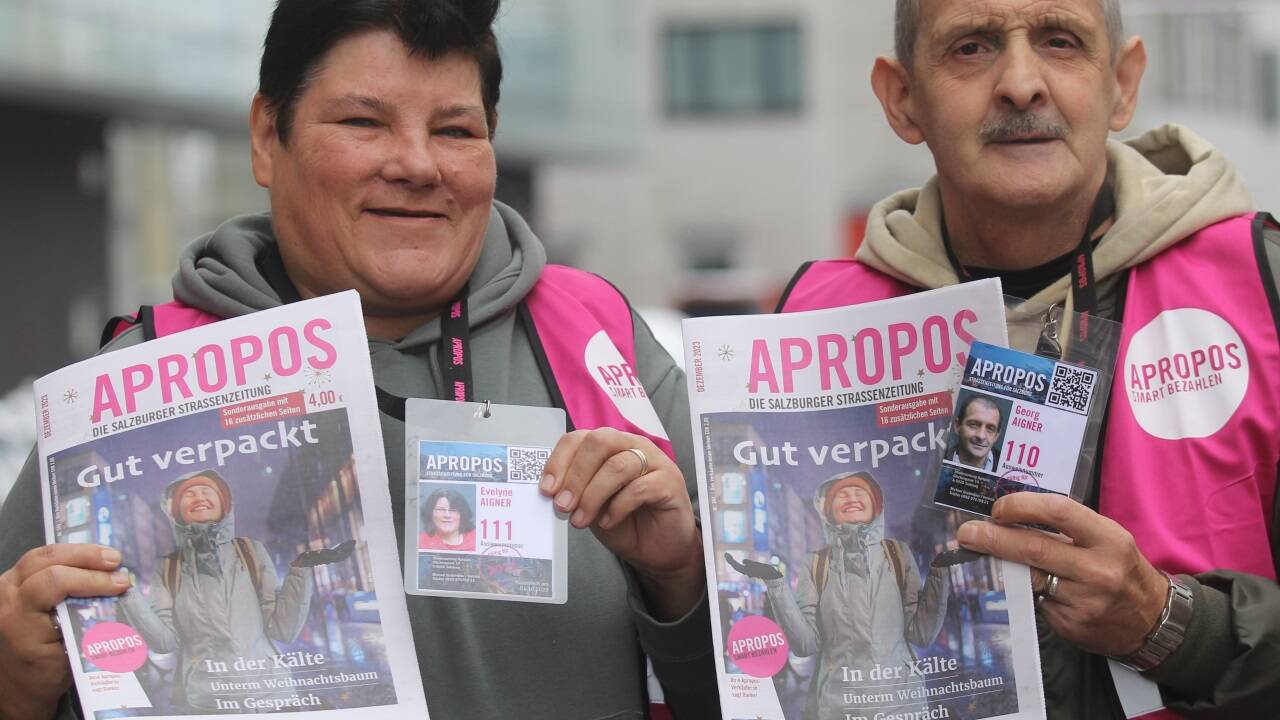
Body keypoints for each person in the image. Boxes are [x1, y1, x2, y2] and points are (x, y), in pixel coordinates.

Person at [0, 2, 715, 719]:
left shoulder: (595, 338)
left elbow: (770, 689)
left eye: (456, 130)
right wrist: (16, 685)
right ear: (265, 136)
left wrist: (679, 578)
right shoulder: (139, 389)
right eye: (363, 123)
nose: (416, 164)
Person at [776, 0, 1280, 716]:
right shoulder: (813, 325)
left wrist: (1173, 626)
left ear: (1124, 84)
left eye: (1060, 40)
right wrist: (672, 570)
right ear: (902, 98)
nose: (1020, 83)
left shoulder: (1257, 289)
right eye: (973, 47)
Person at [117, 470, 351, 712]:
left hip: (274, 697)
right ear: (175, 510)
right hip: (211, 703)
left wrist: (302, 570)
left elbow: (282, 630)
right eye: (188, 493)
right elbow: (165, 642)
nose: (199, 496)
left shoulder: (250, 551)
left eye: (207, 491)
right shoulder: (167, 568)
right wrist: (126, 593)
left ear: (224, 503)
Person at [727, 471, 949, 720]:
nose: (851, 497)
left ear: (875, 504)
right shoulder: (816, 563)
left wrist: (940, 574)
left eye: (859, 491)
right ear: (828, 510)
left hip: (903, 705)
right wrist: (775, 583)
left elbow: (921, 634)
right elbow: (805, 645)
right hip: (840, 708)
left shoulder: (898, 554)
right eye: (841, 494)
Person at [946, 395, 1003, 470]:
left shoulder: (1006, 469)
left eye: (990, 428)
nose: (981, 436)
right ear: (957, 426)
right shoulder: (936, 459)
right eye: (974, 425)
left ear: (996, 435)